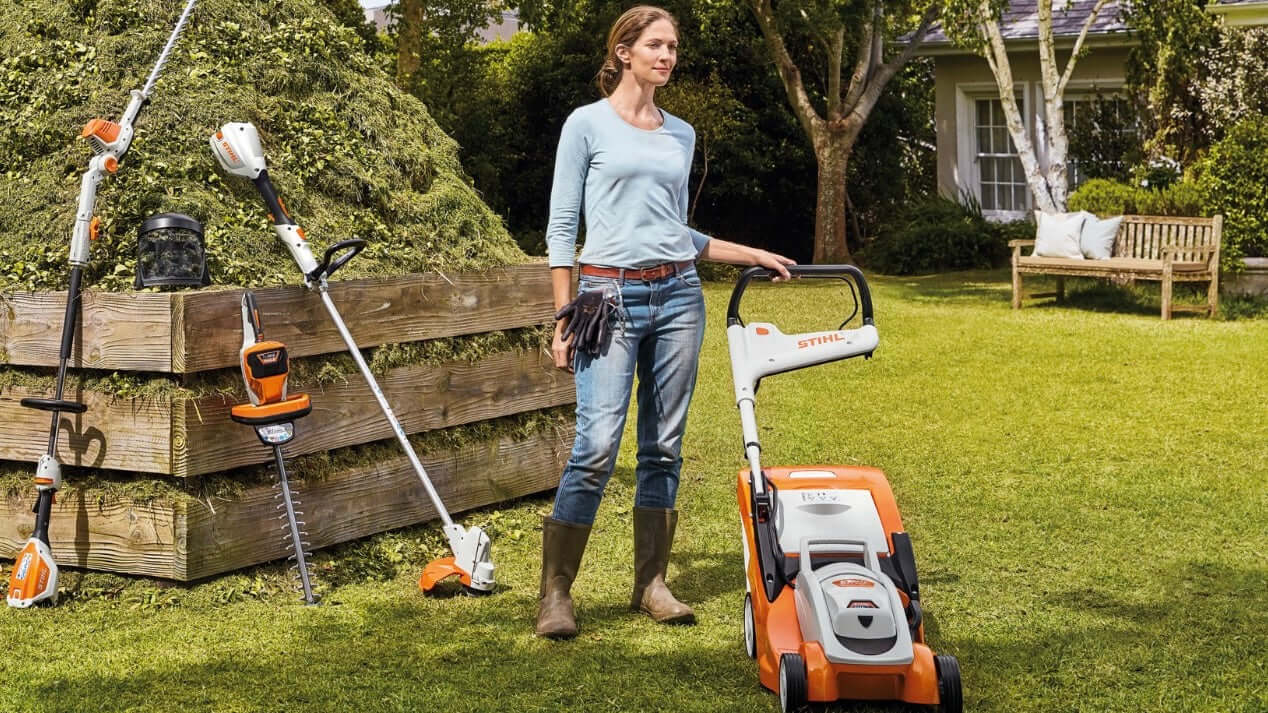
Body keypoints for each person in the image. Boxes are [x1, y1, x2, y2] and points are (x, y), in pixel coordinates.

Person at [537, 5, 796, 639]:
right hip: (608, 300)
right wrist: (561, 316)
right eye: (656, 45)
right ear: (623, 51)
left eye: (674, 47)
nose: (668, 56)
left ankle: (650, 582)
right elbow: (563, 229)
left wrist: (749, 252)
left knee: (663, 447)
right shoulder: (586, 125)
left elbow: (675, 231)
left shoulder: (680, 134)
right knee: (596, 446)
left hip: (679, 297)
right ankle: (556, 594)